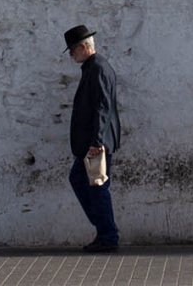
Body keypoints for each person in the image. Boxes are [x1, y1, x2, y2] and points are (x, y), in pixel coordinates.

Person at [63, 24, 120, 253]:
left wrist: (96, 142)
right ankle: (105, 232)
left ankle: (108, 235)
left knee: (96, 186)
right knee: (88, 183)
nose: (71, 54)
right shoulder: (92, 67)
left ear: (84, 47)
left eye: (73, 49)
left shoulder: (97, 68)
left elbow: (102, 107)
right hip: (93, 142)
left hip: (96, 143)